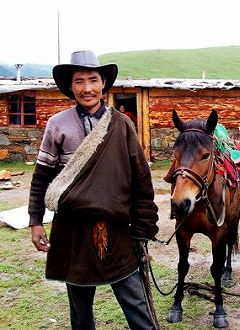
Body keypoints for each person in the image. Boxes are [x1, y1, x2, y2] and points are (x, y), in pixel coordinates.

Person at [28, 50, 160, 329]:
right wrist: (35, 221)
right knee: (80, 310)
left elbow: (141, 180)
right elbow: (42, 177)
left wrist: (144, 224)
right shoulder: (57, 124)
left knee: (137, 306)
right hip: (72, 230)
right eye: (79, 81)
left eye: (93, 80)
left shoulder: (122, 125)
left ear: (103, 84)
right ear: (70, 86)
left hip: (117, 229)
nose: (87, 88)